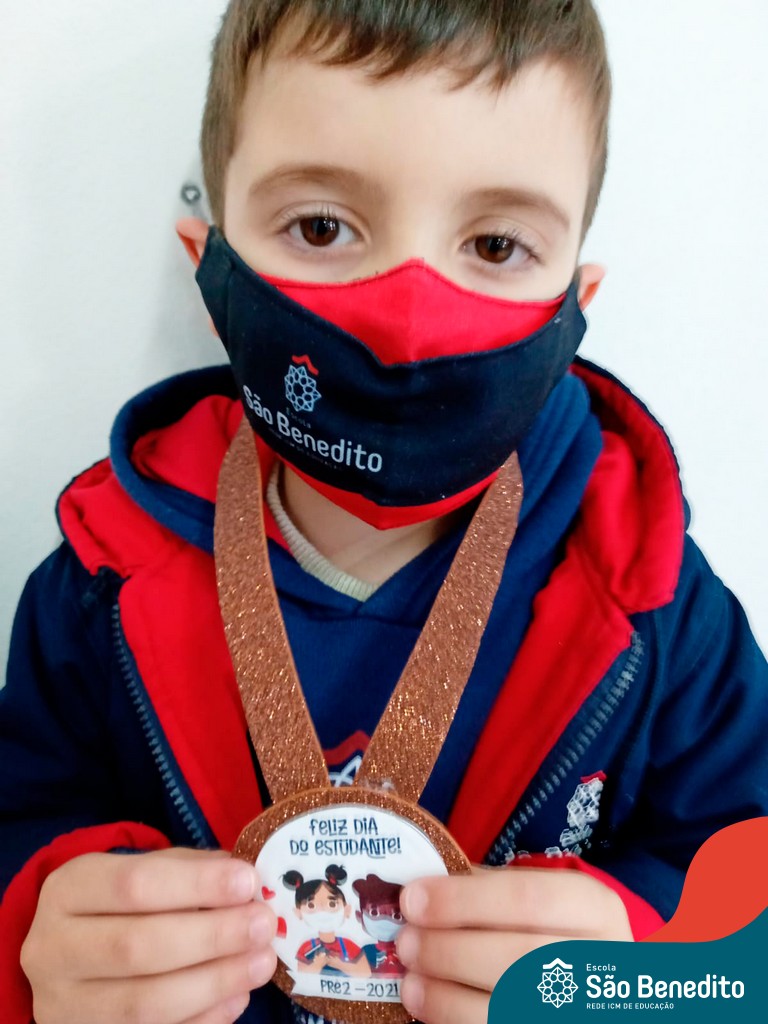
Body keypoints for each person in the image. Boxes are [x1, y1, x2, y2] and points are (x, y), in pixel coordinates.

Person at [1, 2, 767, 1023]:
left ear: (577, 299)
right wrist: (34, 940)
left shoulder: (658, 604)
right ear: (210, 267)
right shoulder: (94, 586)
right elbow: (22, 820)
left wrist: (641, 980)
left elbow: (745, 931)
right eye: (321, 226)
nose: (408, 319)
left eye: (495, 243)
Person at [284, 866, 370, 979]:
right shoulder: (306, 948)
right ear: (298, 913)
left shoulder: (348, 945)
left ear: (346, 910)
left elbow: (366, 973)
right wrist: (317, 965)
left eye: (332, 904)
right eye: (311, 906)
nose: (323, 911)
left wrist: (340, 964)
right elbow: (302, 976)